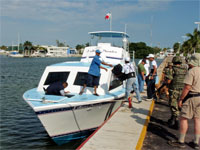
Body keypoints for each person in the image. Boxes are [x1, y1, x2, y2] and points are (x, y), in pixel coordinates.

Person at [169, 53, 200, 149]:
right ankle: (195, 143)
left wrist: (181, 99)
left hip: (191, 97)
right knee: (197, 120)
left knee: (183, 118)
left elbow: (187, 87)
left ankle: (181, 141)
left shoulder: (192, 71)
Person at [168, 56, 187, 129]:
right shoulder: (185, 70)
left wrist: (167, 84)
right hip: (182, 90)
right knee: (179, 105)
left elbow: (169, 81)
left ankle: (176, 122)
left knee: (173, 105)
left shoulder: (172, 69)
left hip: (174, 90)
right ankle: (172, 118)